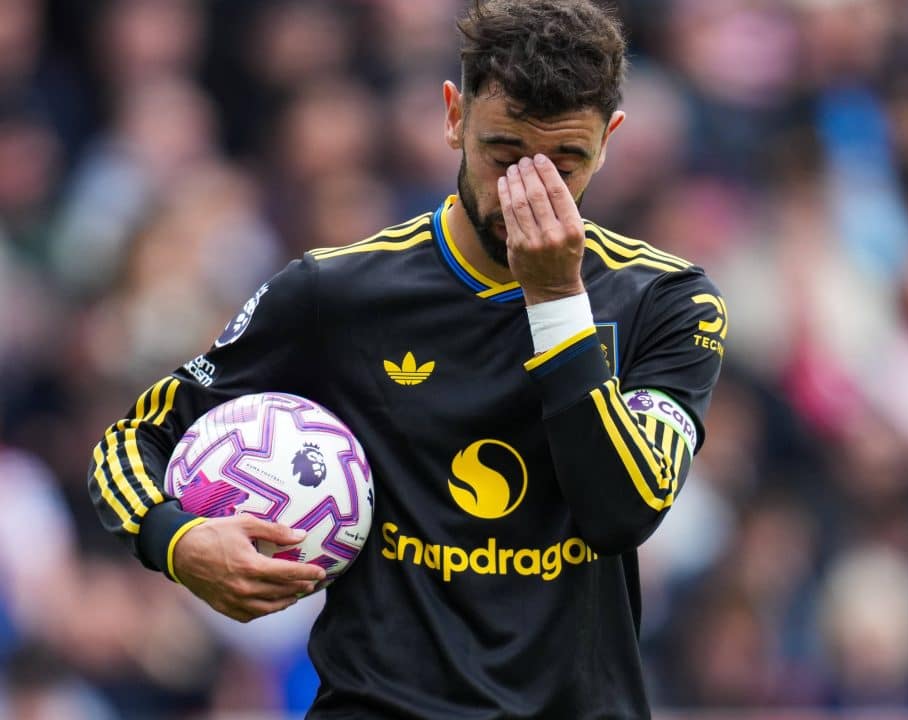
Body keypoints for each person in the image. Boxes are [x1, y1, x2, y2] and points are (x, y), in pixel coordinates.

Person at [85, 1, 726, 717]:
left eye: (566, 163)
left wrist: (555, 304)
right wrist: (179, 541)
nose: (527, 189)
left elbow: (621, 511)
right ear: (454, 116)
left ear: (609, 141)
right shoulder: (336, 293)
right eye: (503, 154)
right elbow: (132, 441)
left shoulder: (667, 303)